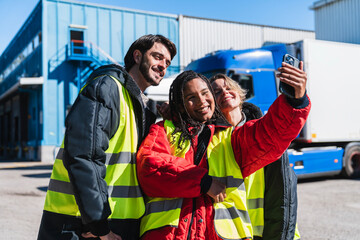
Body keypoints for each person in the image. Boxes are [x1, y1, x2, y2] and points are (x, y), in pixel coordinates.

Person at [136, 64, 310, 239]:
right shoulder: (164, 129)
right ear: (180, 106)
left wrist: (295, 101)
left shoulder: (231, 138)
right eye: (191, 97)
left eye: (205, 93)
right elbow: (149, 167)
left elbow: (269, 133)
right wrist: (203, 182)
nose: (201, 101)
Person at [37, 34, 177, 240]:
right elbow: (84, 156)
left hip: (120, 222)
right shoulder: (107, 88)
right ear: (137, 56)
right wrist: (98, 225)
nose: (162, 66)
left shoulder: (144, 108)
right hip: (82, 224)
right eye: (157, 57)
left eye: (167, 62)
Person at [210, 72, 302, 240]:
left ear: (239, 92)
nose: (224, 92)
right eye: (216, 92)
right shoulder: (212, 138)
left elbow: (277, 127)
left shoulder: (259, 128)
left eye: (228, 87)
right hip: (238, 232)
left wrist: (296, 99)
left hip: (273, 228)